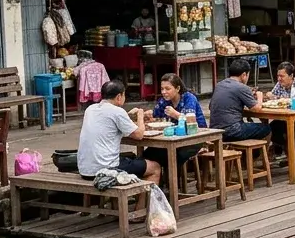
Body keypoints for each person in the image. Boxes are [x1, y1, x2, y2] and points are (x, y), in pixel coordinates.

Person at [77, 79, 160, 219]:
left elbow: (110, 121)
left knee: (132, 159)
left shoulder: (90, 109)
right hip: (105, 170)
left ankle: (120, 208)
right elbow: (139, 135)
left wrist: (128, 115)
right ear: (119, 97)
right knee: (155, 167)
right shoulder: (117, 112)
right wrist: (140, 115)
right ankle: (139, 213)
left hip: (85, 169)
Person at [148, 73, 206, 167]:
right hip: (173, 139)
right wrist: (148, 115)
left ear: (178, 88)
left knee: (174, 156)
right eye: (162, 89)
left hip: (194, 138)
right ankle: (158, 179)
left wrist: (176, 115)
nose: (164, 92)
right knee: (149, 153)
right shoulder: (164, 101)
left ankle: (174, 181)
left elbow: (191, 121)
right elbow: (155, 116)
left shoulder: (189, 98)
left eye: (167, 89)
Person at [210, 59, 270, 142]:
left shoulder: (219, 85)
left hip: (215, 130)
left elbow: (211, 107)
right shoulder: (241, 87)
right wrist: (260, 97)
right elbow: (257, 109)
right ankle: (261, 155)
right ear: (244, 75)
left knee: (250, 126)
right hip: (232, 131)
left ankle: (250, 153)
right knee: (266, 128)